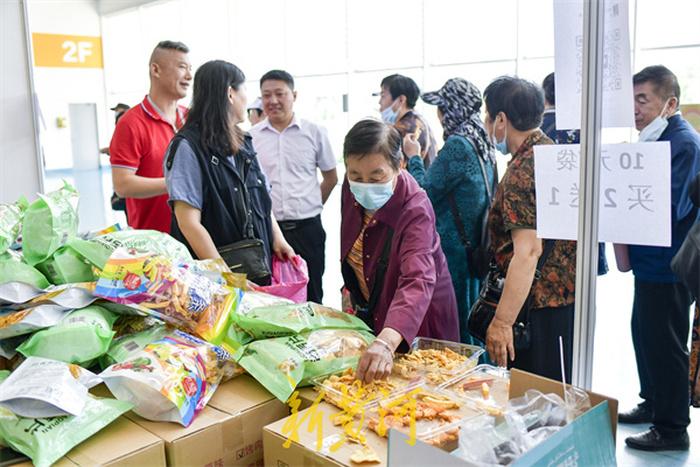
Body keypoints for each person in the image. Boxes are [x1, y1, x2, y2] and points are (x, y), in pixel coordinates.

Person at [341, 119, 459, 383]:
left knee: (417, 390)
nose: (365, 185)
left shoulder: (415, 207)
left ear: (400, 165)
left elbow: (417, 280)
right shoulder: (350, 190)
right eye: (356, 176)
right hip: (375, 304)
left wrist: (386, 340)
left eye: (376, 176)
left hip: (417, 317)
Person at [619, 65, 700, 452]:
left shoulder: (683, 143)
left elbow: (672, 205)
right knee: (644, 334)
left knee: (666, 344)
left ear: (670, 103)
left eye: (642, 100)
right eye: (631, 99)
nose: (634, 109)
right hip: (650, 263)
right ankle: (653, 402)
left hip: (669, 266)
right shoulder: (655, 141)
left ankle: (672, 428)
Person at [481, 76, 577, 382]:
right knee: (555, 396)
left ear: (501, 119)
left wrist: (502, 322)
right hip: (563, 300)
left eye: (488, 115)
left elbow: (529, 250)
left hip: (535, 308)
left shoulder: (522, 171)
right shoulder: (551, 153)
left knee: (535, 404)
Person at [163, 60, 294, 276]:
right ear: (230, 93)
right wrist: (224, 275)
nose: (250, 100)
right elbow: (188, 222)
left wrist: (277, 238)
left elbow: (259, 198)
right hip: (215, 276)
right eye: (245, 91)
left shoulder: (244, 141)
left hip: (254, 265)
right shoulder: (188, 147)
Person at [402, 78, 496, 346]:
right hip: (474, 249)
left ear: (453, 109)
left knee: (456, 330)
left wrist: (414, 156)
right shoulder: (482, 141)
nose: (439, 115)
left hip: (453, 254)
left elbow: (423, 193)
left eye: (442, 108)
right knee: (472, 322)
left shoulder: (458, 145)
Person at [250, 70, 338, 303]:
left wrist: (311, 204)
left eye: (280, 93)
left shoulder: (315, 132)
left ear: (294, 95)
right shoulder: (251, 137)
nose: (273, 101)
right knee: (272, 297)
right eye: (266, 95)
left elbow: (331, 177)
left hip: (308, 229)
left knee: (313, 294)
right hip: (267, 232)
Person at [109, 40, 192, 233]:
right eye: (182, 67)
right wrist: (177, 183)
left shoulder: (191, 119)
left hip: (196, 235)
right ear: (156, 70)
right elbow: (122, 184)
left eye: (190, 68)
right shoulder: (131, 123)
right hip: (155, 242)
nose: (189, 76)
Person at [540, 72, 608, 276]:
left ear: (544, 97)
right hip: (583, 226)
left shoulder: (537, 131)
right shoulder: (586, 130)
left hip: (548, 230)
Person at [376, 74, 437, 168]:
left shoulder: (404, 128)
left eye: (383, 96)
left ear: (401, 100)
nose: (379, 102)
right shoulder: (418, 120)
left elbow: (394, 169)